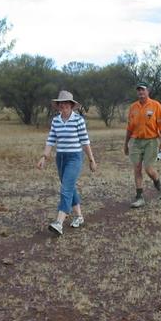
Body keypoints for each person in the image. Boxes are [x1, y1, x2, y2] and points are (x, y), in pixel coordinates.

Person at [37, 90, 97, 235]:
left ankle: (59, 222)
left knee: (66, 189)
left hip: (75, 157)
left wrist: (91, 159)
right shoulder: (56, 120)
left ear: (71, 105)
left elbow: (85, 141)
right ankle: (79, 216)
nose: (63, 106)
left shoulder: (78, 120)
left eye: (66, 103)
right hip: (61, 158)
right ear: (58, 106)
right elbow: (51, 139)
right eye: (61, 103)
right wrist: (44, 157)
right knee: (69, 187)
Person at [124, 83, 161, 208]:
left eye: (143, 90)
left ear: (148, 91)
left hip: (151, 141)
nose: (140, 93)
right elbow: (129, 128)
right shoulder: (133, 107)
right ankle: (139, 197)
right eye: (138, 91)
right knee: (137, 168)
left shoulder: (156, 105)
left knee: (149, 169)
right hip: (136, 141)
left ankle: (159, 185)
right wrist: (126, 144)